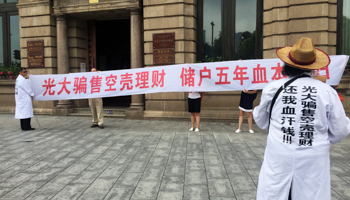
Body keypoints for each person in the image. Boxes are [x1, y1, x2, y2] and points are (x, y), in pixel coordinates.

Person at [253, 37, 350, 200]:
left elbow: (261, 121)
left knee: (276, 192)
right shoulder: (326, 91)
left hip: (279, 156)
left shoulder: (273, 88)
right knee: (311, 193)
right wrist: (321, 138)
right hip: (313, 159)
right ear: (313, 67)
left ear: (287, 64)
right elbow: (340, 130)